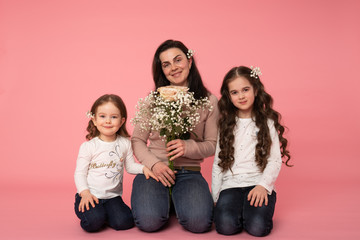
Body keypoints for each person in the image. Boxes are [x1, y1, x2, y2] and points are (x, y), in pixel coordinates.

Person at [131, 40, 219, 233]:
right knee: (148, 222)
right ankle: (165, 201)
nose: (173, 68)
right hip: (154, 172)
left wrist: (188, 147)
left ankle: (175, 200)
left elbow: (212, 144)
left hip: (189, 172)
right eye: (166, 64)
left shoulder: (209, 101)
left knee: (200, 224)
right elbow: (137, 140)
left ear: (189, 61)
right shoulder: (151, 100)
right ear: (161, 70)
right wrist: (154, 164)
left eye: (178, 60)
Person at [212, 66, 291, 236]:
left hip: (258, 183)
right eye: (234, 92)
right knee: (225, 227)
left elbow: (275, 160)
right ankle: (237, 211)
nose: (241, 96)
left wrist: (263, 186)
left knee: (257, 228)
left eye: (245, 90)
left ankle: (250, 212)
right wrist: (215, 197)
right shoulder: (225, 125)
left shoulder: (267, 123)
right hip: (231, 185)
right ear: (229, 96)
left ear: (255, 89)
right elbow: (218, 163)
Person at [74, 94, 157, 232]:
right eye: (102, 116)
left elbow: (130, 167)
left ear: (122, 121)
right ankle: (94, 213)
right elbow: (80, 173)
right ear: (94, 119)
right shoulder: (88, 146)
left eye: (113, 117)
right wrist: (85, 193)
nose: (108, 121)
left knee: (125, 222)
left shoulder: (124, 143)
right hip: (91, 195)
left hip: (113, 197)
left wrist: (144, 169)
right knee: (94, 223)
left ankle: (105, 214)